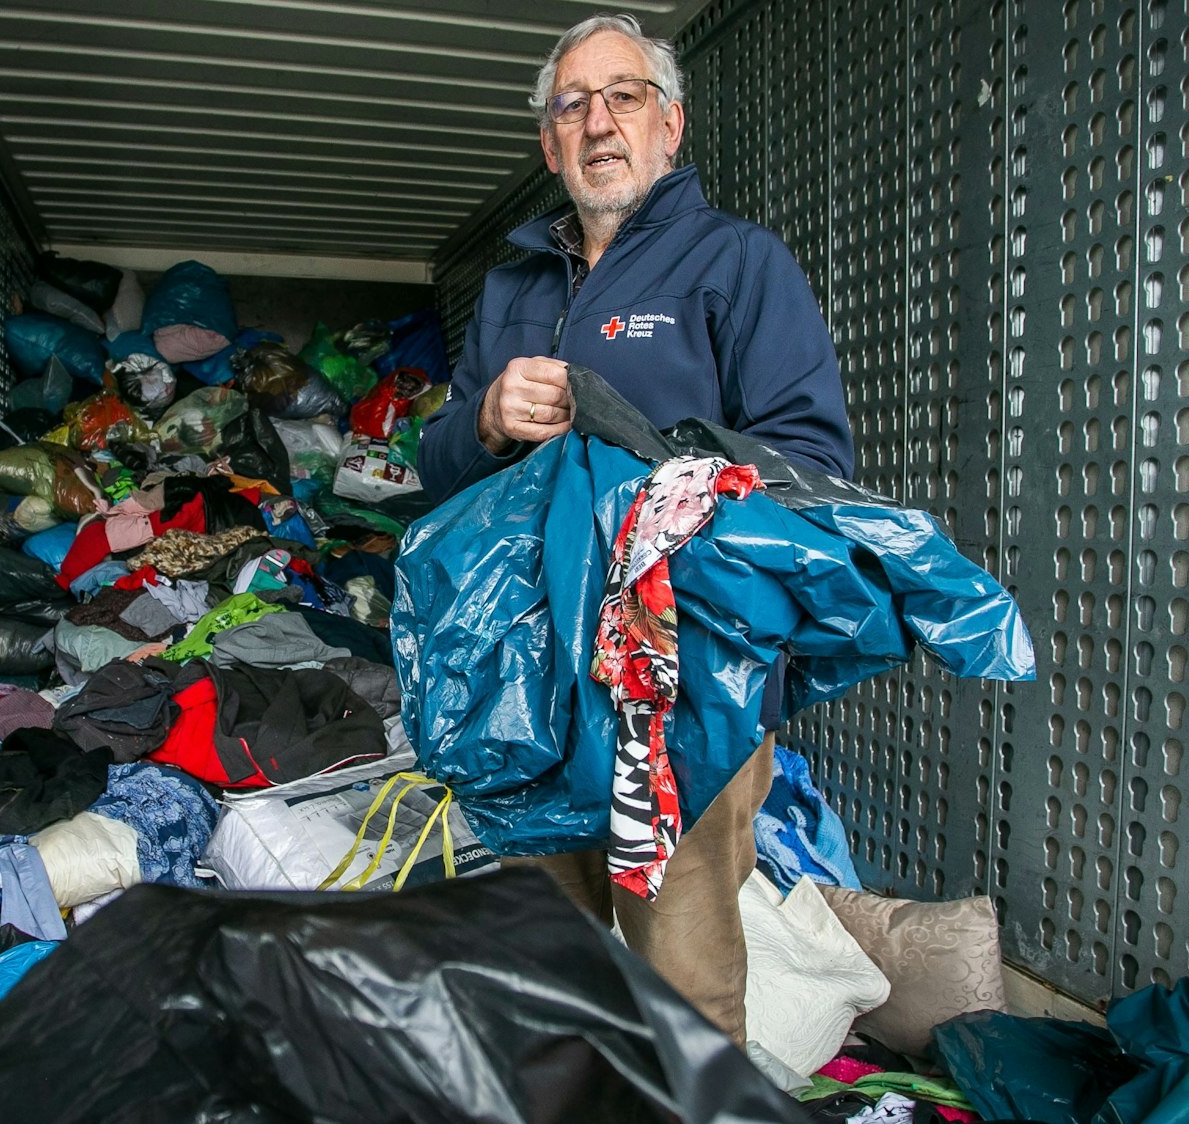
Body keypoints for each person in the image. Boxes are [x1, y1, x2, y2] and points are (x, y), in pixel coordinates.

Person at [414, 14, 857, 1047]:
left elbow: (810, 464)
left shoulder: (735, 261)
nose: (598, 122)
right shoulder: (513, 285)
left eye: (624, 96)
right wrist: (484, 420)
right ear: (548, 143)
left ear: (670, 124)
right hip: (526, 682)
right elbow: (435, 474)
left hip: (677, 683)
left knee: (682, 987)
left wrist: (647, 471)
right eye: (571, 106)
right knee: (551, 974)